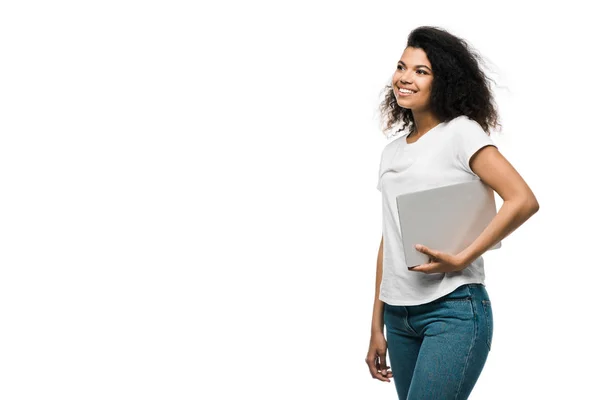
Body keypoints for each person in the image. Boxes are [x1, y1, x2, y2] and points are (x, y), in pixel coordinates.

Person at [365, 26, 540, 400]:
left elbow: (522, 199)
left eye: (421, 71)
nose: (405, 78)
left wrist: (463, 256)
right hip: (398, 319)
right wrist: (376, 325)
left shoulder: (462, 133)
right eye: (401, 67)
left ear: (443, 82)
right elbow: (389, 239)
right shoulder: (391, 153)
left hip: (453, 310)